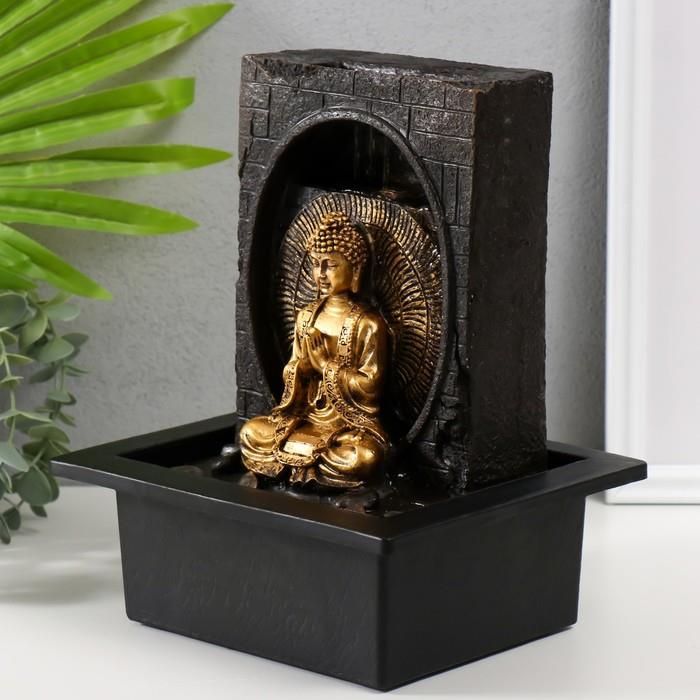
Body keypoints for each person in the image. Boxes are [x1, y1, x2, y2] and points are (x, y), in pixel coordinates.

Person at [239, 211, 389, 489]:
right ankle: (308, 470)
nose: (320, 274)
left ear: (355, 270)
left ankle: (291, 468)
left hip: (347, 426)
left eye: (330, 265)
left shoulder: (369, 324)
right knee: (252, 432)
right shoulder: (306, 317)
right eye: (315, 264)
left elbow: (370, 387)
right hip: (307, 418)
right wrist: (302, 368)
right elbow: (293, 367)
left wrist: (326, 368)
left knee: (363, 457)